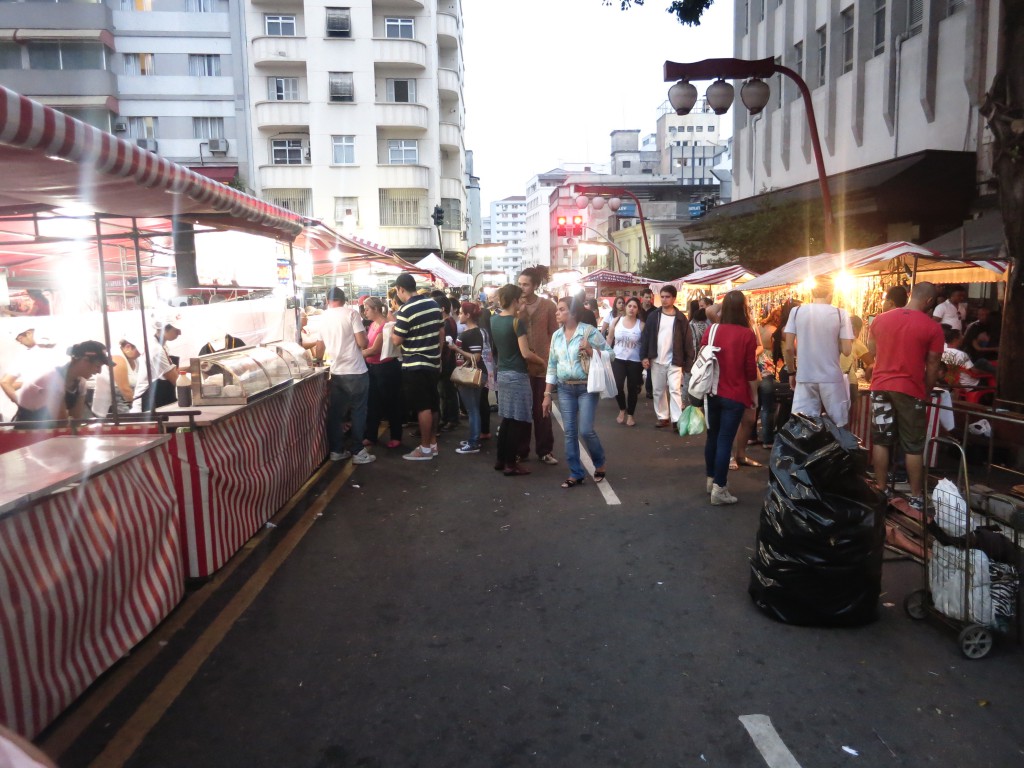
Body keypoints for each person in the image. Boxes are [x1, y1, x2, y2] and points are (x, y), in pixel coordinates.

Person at [867, 281, 944, 511]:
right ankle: (916, 496)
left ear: (911, 295)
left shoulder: (881, 319)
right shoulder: (932, 328)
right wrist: (928, 389)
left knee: (881, 441)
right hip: (910, 389)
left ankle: (881, 488)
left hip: (880, 386)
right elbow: (933, 364)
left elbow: (872, 351)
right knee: (912, 445)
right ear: (929, 301)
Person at [542, 296, 609, 488]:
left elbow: (610, 353)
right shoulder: (556, 336)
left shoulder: (588, 332)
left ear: (573, 313)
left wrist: (592, 351)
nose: (557, 312)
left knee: (586, 430)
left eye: (561, 309)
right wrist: (547, 395)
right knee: (570, 432)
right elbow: (552, 366)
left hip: (586, 387)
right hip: (564, 388)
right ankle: (576, 472)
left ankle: (599, 462)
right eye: (557, 309)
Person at [701, 291, 758, 505]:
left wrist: (720, 307)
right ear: (744, 309)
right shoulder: (747, 334)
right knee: (725, 439)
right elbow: (750, 370)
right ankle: (720, 487)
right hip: (735, 393)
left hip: (712, 390)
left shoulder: (712, 329)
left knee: (712, 437)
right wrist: (753, 397)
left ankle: (710, 480)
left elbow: (704, 355)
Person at [782, 275, 854, 427]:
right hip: (831, 377)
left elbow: (788, 348)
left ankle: (807, 451)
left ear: (812, 292)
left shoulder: (796, 312)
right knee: (839, 424)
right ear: (831, 292)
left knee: (804, 426)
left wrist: (791, 372)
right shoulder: (841, 314)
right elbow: (847, 350)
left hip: (805, 376)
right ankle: (838, 450)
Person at [491, 284, 546, 476]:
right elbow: (525, 353)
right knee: (517, 421)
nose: (523, 301)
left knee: (507, 418)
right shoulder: (516, 323)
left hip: (503, 373)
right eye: (520, 298)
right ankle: (510, 463)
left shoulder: (494, 320)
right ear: (515, 300)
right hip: (517, 375)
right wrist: (543, 362)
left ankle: (500, 459)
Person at [392, 273, 445, 461]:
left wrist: (392, 329)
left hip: (415, 364)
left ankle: (424, 448)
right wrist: (437, 356)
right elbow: (441, 331)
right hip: (432, 362)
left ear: (400, 289)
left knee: (423, 407)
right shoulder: (433, 304)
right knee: (433, 404)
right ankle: (432, 444)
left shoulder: (405, 310)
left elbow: (397, 340)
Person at [321, 287, 375, 464]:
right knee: (358, 411)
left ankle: (337, 451)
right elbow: (362, 342)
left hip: (337, 372)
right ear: (343, 300)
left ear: (328, 301)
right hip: (357, 371)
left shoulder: (323, 317)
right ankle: (358, 451)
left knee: (336, 413)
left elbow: (319, 348)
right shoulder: (351, 314)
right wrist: (365, 340)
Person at [515, 267, 559, 465]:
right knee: (522, 410)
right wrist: (519, 313)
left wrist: (552, 360)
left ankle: (545, 450)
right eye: (520, 284)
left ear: (535, 286)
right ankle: (521, 450)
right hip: (521, 365)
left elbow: (554, 334)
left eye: (525, 284)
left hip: (543, 365)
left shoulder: (549, 306)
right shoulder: (514, 306)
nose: (522, 288)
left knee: (542, 411)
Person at [14, 340, 112, 423]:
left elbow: (75, 420)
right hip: (27, 436)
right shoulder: (51, 380)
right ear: (85, 361)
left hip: (49, 433)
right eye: (98, 366)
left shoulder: (81, 383)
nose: (99, 371)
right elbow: (61, 422)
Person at [641, 284, 694, 429]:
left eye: (667, 297)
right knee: (658, 390)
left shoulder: (681, 319)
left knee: (674, 389)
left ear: (674, 299)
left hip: (675, 360)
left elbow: (688, 341)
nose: (664, 300)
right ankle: (663, 416)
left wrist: (688, 362)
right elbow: (645, 337)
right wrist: (644, 356)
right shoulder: (653, 316)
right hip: (656, 358)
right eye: (662, 297)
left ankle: (676, 420)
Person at [362, 296, 403, 450]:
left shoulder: (385, 326)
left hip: (386, 369)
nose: (365, 312)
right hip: (372, 368)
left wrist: (355, 356)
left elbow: (374, 349)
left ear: (376, 309)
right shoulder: (373, 324)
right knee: (372, 403)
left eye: (367, 309)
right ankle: (371, 435)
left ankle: (396, 436)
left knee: (391, 403)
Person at [452, 301, 490, 454]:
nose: (459, 315)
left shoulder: (471, 334)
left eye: (461, 313)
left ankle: (474, 442)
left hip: (472, 375)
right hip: (475, 373)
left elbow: (476, 357)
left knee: (472, 409)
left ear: (468, 315)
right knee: (474, 408)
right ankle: (474, 438)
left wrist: (455, 348)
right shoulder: (476, 332)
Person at [606, 296, 644, 426]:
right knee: (617, 386)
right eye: (629, 306)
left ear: (638, 310)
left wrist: (645, 359)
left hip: (635, 361)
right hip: (618, 359)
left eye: (635, 307)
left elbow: (645, 344)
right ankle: (622, 409)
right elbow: (610, 338)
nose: (632, 309)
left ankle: (630, 415)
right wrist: (606, 354)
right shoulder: (617, 321)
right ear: (626, 307)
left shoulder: (641, 325)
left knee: (632, 388)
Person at [132, 321, 181, 413]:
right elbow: (174, 379)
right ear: (164, 329)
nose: (180, 333)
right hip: (147, 404)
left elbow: (172, 370)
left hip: (157, 399)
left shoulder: (161, 346)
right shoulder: (156, 349)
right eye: (176, 330)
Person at [432, 292, 461, 433]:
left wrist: (441, 362)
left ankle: (451, 419)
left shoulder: (446, 323)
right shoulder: (449, 321)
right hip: (448, 362)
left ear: (442, 308)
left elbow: (445, 346)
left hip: (447, 362)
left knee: (447, 392)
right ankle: (447, 418)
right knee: (445, 392)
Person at [839, 316, 874, 407]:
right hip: (848, 383)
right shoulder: (855, 342)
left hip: (838, 381)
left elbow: (872, 364)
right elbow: (872, 364)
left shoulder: (853, 342)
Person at [638, 288, 655, 399]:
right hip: (637, 341)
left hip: (650, 341)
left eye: (650, 297)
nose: (649, 299)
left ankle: (649, 389)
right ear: (642, 297)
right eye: (646, 297)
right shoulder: (637, 309)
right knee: (637, 366)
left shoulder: (655, 310)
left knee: (649, 367)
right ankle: (638, 383)